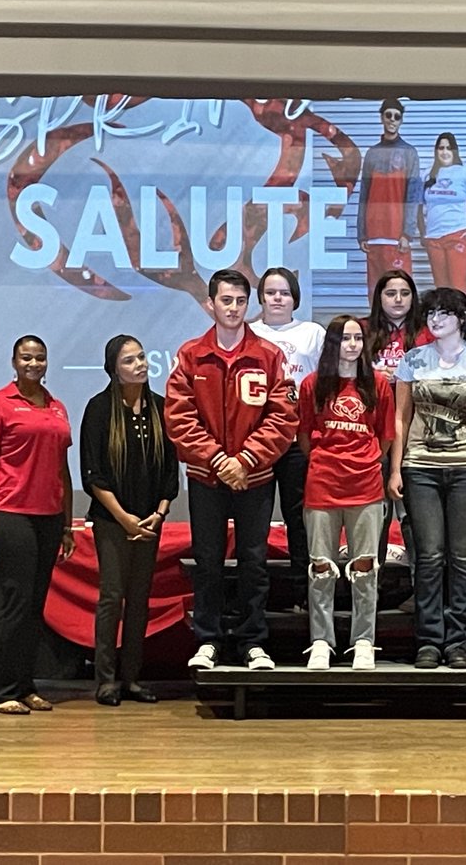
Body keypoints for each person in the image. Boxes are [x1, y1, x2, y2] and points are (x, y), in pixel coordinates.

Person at [165, 269, 299, 671]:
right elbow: (178, 417)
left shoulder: (269, 356)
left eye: (241, 301)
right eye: (226, 300)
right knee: (207, 561)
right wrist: (218, 460)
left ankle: (252, 641)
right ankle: (208, 640)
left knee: (254, 561)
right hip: (206, 479)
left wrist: (246, 460)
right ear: (210, 304)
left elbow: (283, 417)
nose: (234, 308)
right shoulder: (191, 355)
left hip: (255, 479)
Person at [389, 288, 466, 669]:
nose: (436, 320)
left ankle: (457, 643)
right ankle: (429, 641)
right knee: (430, 555)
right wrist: (395, 468)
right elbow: (400, 419)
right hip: (420, 467)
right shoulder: (413, 361)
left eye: (444, 313)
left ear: (461, 318)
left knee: (462, 556)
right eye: (431, 313)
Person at [0, 335, 75, 715]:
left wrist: (67, 525)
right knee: (17, 603)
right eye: (26, 357)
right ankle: (1, 692)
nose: (33, 363)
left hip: (49, 517)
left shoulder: (58, 407)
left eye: (40, 357)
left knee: (35, 607)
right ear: (14, 362)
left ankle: (25, 685)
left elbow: (62, 471)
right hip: (10, 512)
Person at [80, 334, 179, 706]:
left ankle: (131, 679)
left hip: (151, 522)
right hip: (111, 522)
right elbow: (92, 475)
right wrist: (124, 519)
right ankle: (105, 681)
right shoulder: (99, 409)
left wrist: (159, 513)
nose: (139, 364)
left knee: (139, 600)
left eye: (141, 357)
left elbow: (171, 471)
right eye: (129, 360)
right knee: (112, 597)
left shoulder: (160, 408)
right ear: (113, 369)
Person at [299, 315, 395, 670]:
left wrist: (364, 462)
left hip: (366, 487)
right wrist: (330, 461)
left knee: (365, 568)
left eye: (358, 338)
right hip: (323, 485)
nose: (352, 345)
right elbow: (305, 437)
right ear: (332, 345)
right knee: (321, 568)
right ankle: (322, 641)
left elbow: (385, 437)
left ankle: (364, 642)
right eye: (345, 338)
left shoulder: (379, 385)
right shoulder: (313, 385)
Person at [249, 267, 326, 607]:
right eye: (270, 293)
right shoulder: (248, 333)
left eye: (284, 292)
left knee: (300, 520)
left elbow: (327, 384)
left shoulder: (313, 334)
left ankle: (303, 595)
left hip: (299, 441)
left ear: (295, 297)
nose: (277, 298)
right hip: (258, 441)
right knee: (256, 522)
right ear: (261, 298)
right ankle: (256, 599)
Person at [365, 269, 423, 578]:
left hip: (415, 434)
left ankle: (420, 588)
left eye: (404, 293)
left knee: (413, 514)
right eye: (390, 293)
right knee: (377, 512)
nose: (398, 299)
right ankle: (371, 586)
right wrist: (376, 377)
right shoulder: (361, 331)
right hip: (371, 434)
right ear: (379, 298)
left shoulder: (427, 333)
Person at [356, 97, 421, 293]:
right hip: (374, 235)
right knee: (375, 290)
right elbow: (364, 195)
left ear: (401, 120)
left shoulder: (409, 153)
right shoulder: (371, 154)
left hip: (396, 236)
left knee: (399, 289)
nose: (392, 120)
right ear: (382, 118)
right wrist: (361, 233)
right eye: (388, 115)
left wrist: (407, 233)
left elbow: (413, 196)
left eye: (397, 116)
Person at [419, 131, 466, 294]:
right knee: (441, 289)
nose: (445, 152)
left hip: (456, 237)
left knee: (458, 288)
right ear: (436, 151)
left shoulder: (464, 173)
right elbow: (418, 207)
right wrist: (422, 233)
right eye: (441, 148)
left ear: (455, 151)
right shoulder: (427, 174)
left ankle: (465, 319)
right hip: (434, 239)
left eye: (449, 148)